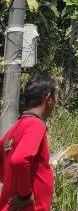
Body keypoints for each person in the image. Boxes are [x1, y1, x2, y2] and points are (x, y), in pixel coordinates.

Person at [0, 75, 57, 211]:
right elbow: (19, 159)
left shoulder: (13, 130)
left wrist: (13, 185)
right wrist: (25, 195)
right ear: (48, 98)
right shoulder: (36, 125)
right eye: (55, 98)